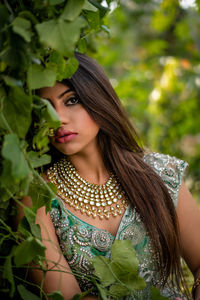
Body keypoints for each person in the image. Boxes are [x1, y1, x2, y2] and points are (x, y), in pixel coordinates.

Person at [19, 52, 200, 300]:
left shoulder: (161, 174)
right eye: (45, 108)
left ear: (97, 98)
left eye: (71, 100)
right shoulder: (37, 198)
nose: (57, 118)